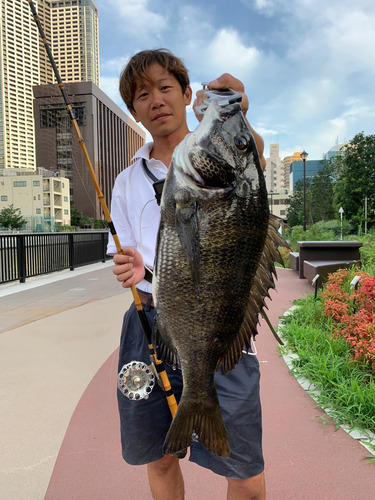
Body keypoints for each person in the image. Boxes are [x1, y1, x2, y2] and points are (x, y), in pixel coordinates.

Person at [107, 49, 267, 500]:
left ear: (186, 93)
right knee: (158, 459)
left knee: (246, 476)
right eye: (143, 94)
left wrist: (233, 104)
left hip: (225, 324)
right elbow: (138, 261)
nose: (156, 99)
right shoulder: (126, 182)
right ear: (134, 109)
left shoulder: (225, 148)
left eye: (165, 87)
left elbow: (247, 151)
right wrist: (135, 267)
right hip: (150, 322)